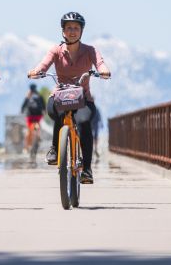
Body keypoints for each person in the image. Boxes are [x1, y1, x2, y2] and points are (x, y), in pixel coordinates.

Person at [27, 11, 111, 184]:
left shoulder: (90, 50)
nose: (72, 31)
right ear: (63, 31)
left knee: (84, 123)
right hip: (60, 95)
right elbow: (44, 64)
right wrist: (37, 71)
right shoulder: (56, 50)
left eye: (76, 28)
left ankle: (87, 169)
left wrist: (103, 70)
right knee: (56, 112)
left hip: (83, 99)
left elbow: (100, 63)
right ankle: (55, 149)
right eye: (69, 28)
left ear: (81, 31)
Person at [20, 83, 46, 156]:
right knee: (38, 125)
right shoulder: (39, 95)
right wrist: (44, 111)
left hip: (30, 115)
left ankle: (26, 147)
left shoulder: (28, 96)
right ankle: (38, 136)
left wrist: (22, 111)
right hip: (38, 115)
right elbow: (43, 105)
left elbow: (23, 105)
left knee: (28, 130)